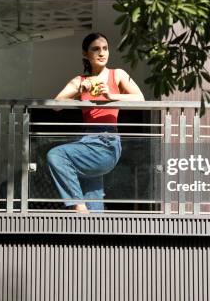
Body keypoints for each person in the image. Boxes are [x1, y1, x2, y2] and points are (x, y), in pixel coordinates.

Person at [47, 32, 145, 212]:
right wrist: (77, 91)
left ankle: (77, 205)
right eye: (96, 49)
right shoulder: (80, 80)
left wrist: (111, 96)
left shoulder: (117, 75)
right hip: (85, 143)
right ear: (85, 54)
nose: (102, 53)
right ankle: (94, 230)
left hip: (106, 142)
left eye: (105, 48)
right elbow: (55, 105)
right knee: (94, 204)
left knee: (57, 155)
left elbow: (141, 99)